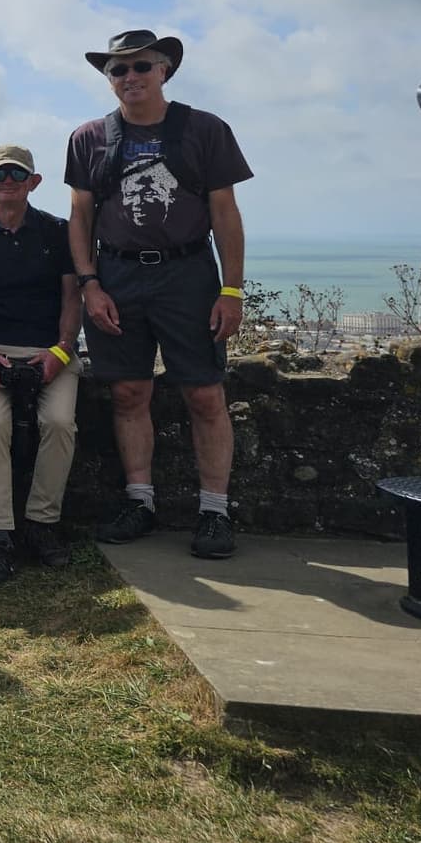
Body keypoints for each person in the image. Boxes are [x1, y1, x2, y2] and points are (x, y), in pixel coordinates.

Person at [66, 30, 253, 560]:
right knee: (128, 394)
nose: (129, 78)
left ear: (164, 69)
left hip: (186, 273)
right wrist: (90, 283)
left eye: (140, 67)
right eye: (117, 70)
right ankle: (140, 500)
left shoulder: (204, 130)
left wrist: (231, 289)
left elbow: (225, 213)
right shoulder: (89, 139)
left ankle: (215, 510)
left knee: (204, 393)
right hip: (118, 277)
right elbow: (81, 217)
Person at [0, 145, 82, 587]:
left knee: (60, 423)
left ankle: (42, 523)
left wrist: (60, 352)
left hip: (51, 347)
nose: (7, 181)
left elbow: (71, 299)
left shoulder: (58, 232)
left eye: (16, 174)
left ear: (33, 182)